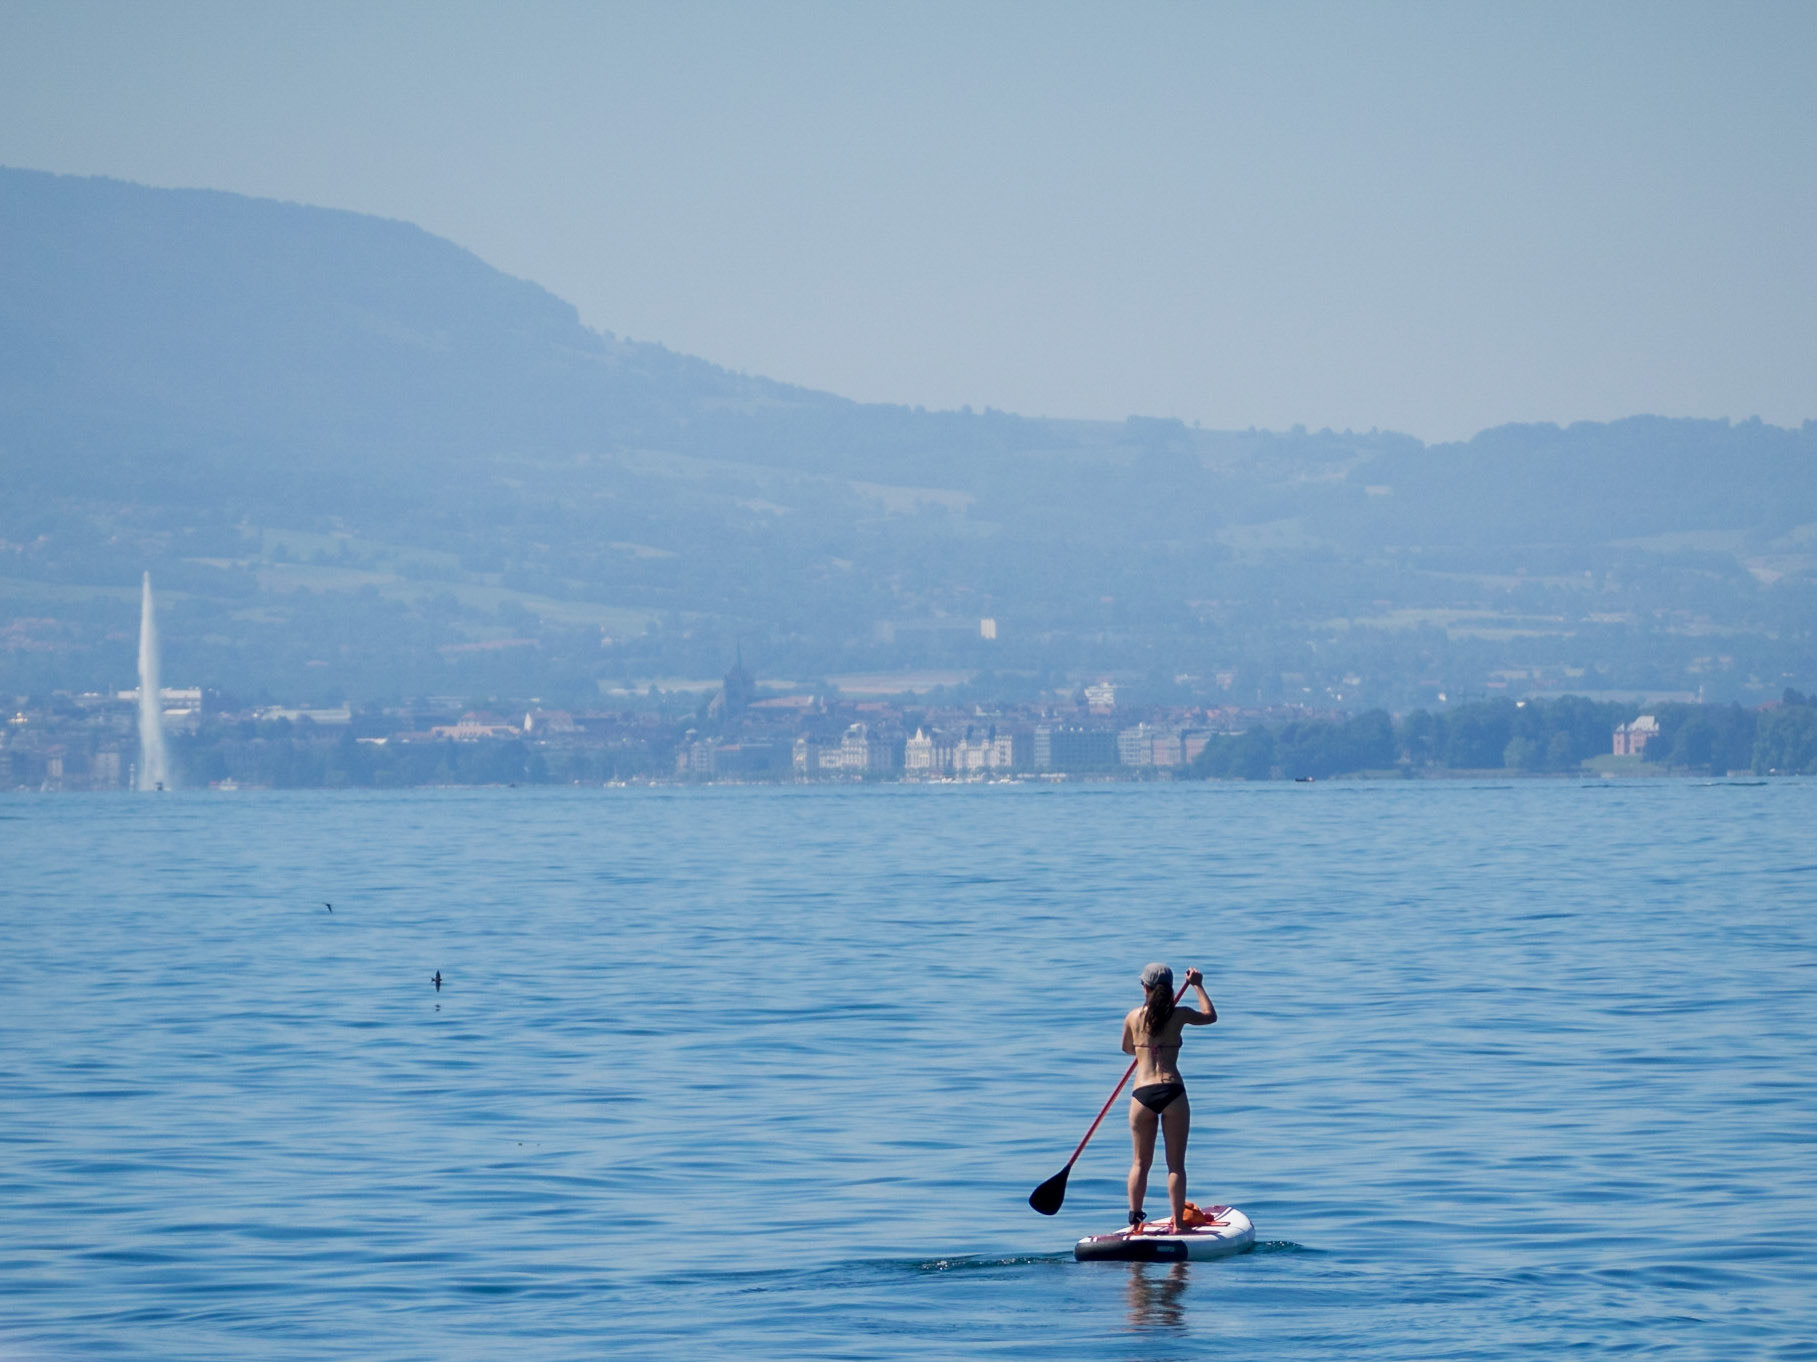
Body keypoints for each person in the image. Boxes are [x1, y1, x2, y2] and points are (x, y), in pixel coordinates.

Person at [1122, 961, 1216, 1232]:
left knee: (1140, 1162)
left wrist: (1144, 1048)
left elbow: (1127, 1049)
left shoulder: (1132, 1017)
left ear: (1145, 987)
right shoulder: (1180, 1014)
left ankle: (1136, 1224)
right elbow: (1210, 1016)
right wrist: (1198, 986)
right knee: (1175, 1165)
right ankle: (1178, 1225)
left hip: (1142, 1094)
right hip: (1173, 1091)